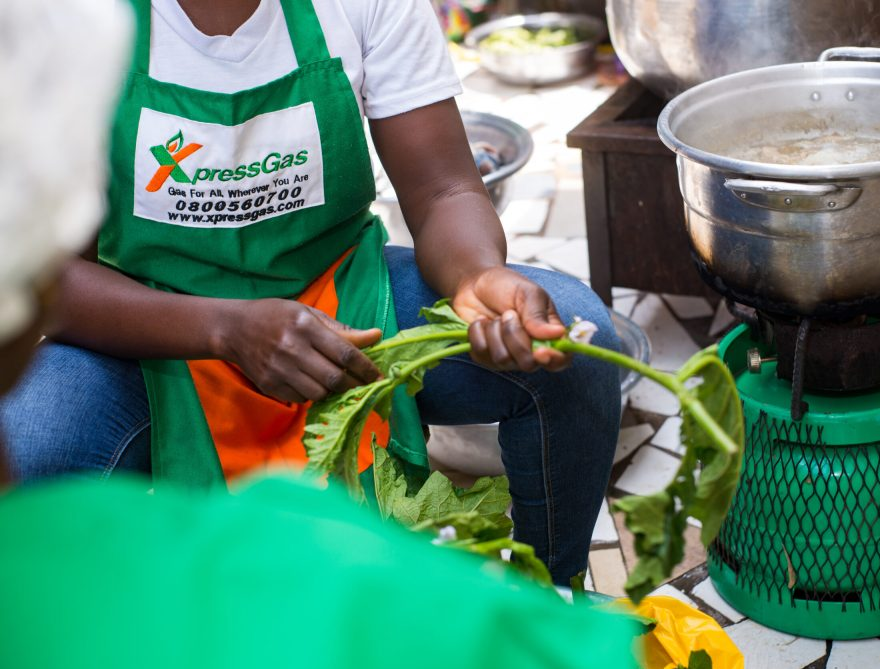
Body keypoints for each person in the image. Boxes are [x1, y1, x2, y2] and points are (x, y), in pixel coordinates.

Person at [0, 0, 619, 586]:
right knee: (32, 441)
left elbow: (444, 191)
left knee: (572, 344)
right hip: (146, 329)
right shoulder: (66, 21)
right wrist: (224, 329)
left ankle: (544, 608)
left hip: (343, 302)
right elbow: (45, 272)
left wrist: (476, 275)